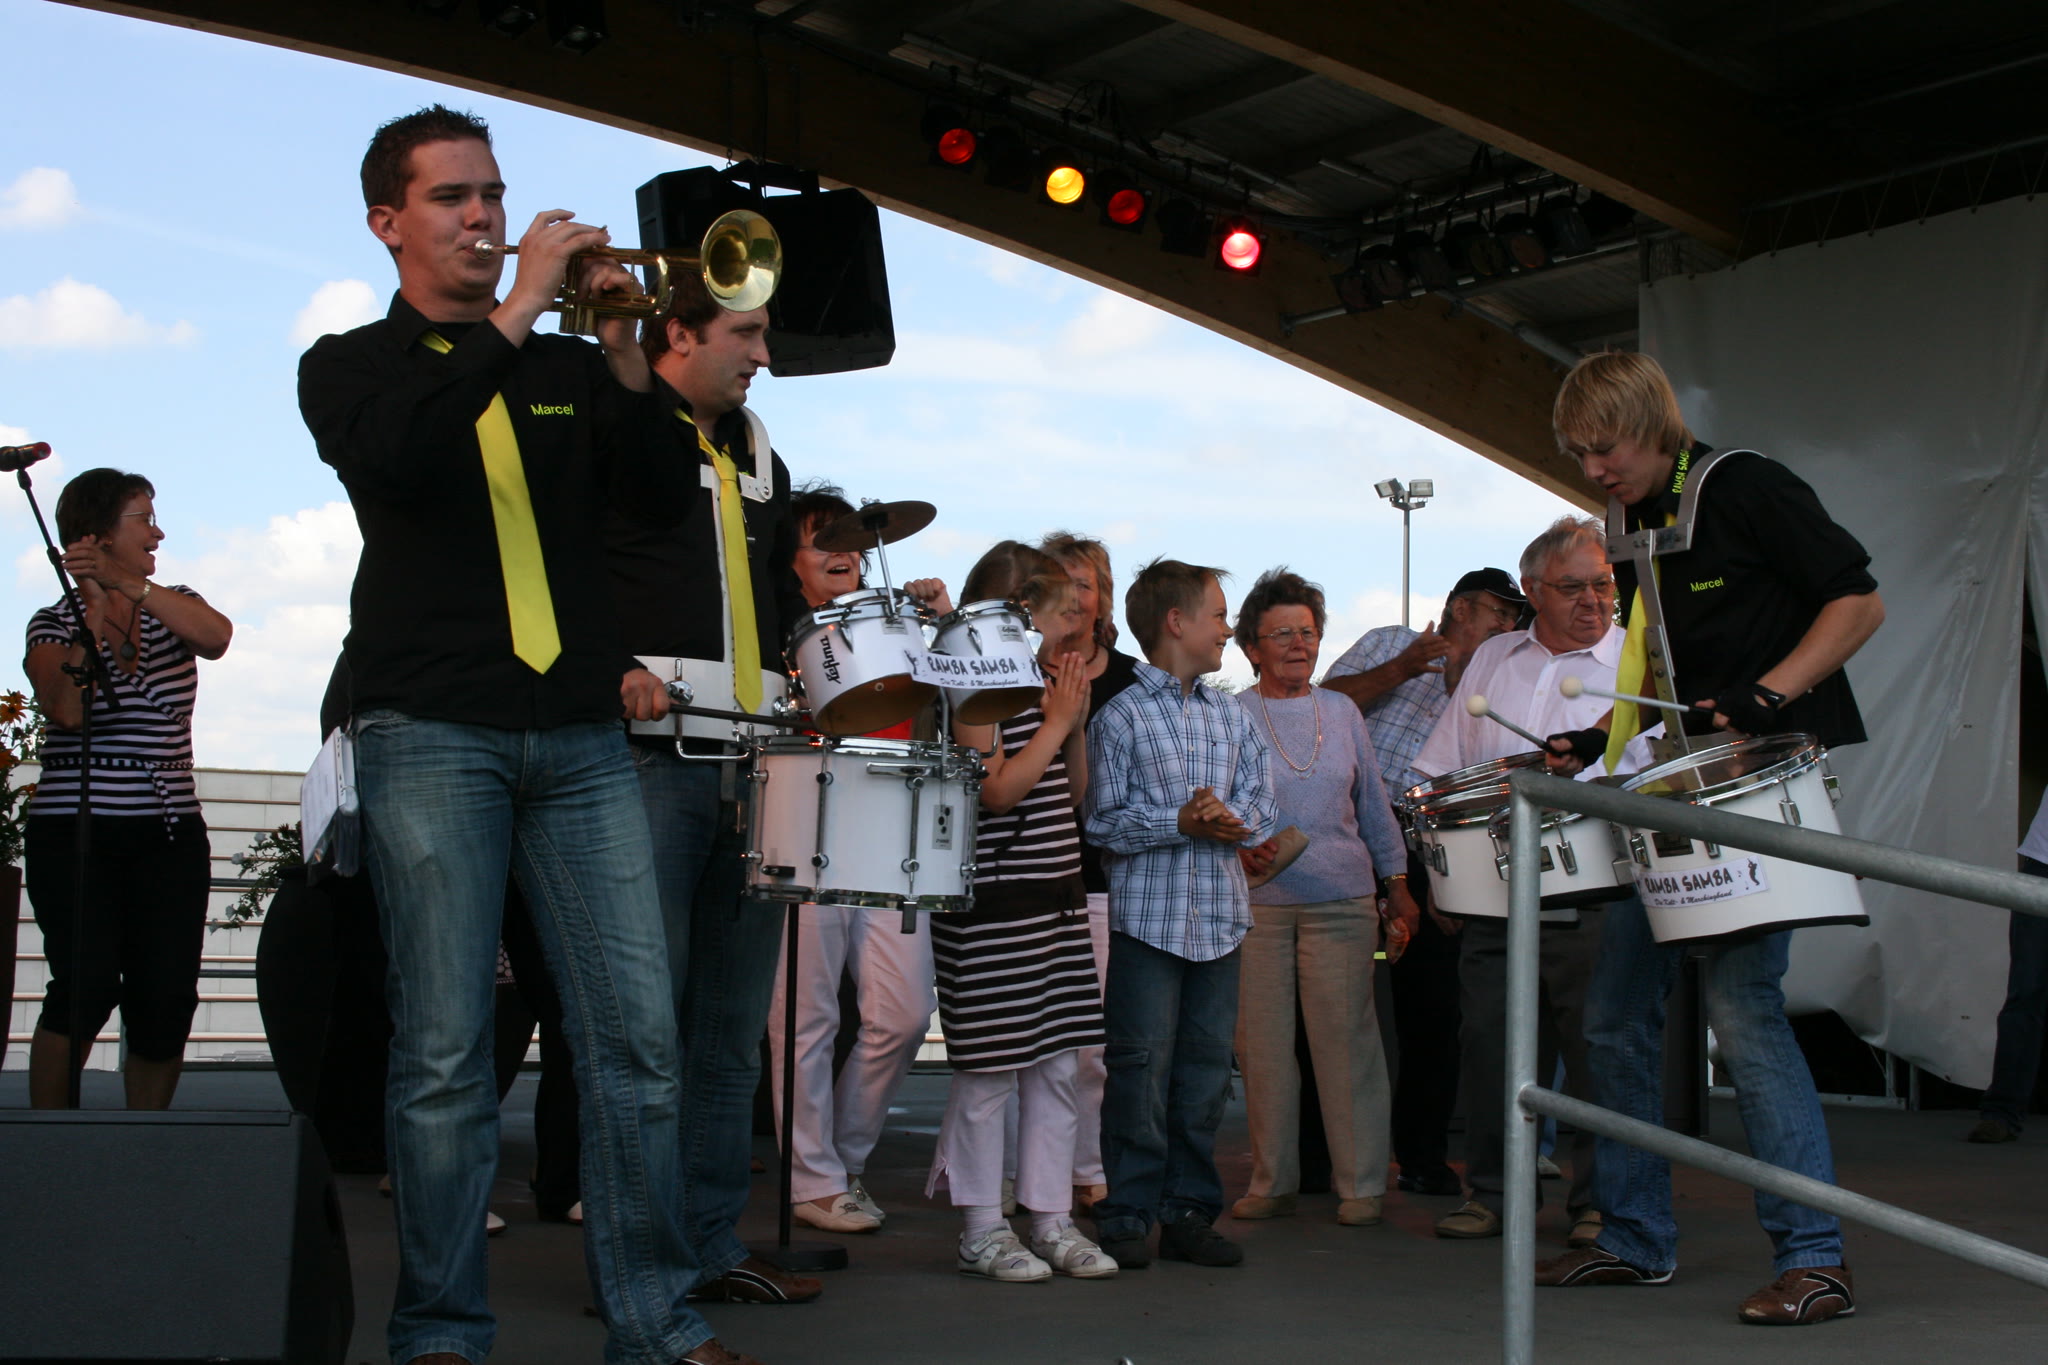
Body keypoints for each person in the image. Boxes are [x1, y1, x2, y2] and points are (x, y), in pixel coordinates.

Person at [298, 106, 755, 1365]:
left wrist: (619, 345)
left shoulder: (565, 367)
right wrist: (518, 313)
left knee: (637, 1043)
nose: (484, 216)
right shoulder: (351, 365)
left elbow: (655, 499)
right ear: (387, 221)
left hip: (578, 737)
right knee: (446, 1054)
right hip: (430, 727)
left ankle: (652, 1320)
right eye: (451, 197)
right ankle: (440, 1330)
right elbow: (402, 459)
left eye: (492, 193)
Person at [1537, 350, 1884, 1327]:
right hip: (1676, 787)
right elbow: (1658, 661)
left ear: (1652, 424)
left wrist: (1770, 692)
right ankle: (1635, 1236)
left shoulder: (1746, 486)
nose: (1594, 469)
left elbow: (1859, 601)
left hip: (1761, 783)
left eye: (1605, 448)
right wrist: (1602, 739)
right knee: (1612, 1015)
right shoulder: (1631, 525)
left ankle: (1814, 1258)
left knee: (1742, 1008)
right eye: (1579, 455)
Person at [610, 266, 818, 1306]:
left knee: (730, 1035)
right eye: (746, 334)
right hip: (649, 761)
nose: (763, 356)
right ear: (680, 334)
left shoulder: (757, 447)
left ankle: (702, 1246)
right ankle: (637, 1265)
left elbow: (779, 590)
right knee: (643, 1031)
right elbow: (569, 563)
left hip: (753, 763)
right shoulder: (623, 423)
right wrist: (609, 665)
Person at [1409, 517, 1621, 1247]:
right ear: (1532, 590)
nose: (1593, 600)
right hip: (1493, 889)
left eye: (1603, 583)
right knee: (1491, 1044)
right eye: (1572, 587)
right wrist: (1437, 873)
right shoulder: (1495, 656)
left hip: (1595, 885)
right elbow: (1443, 772)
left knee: (1595, 1049)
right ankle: (1497, 1193)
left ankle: (1602, 1201)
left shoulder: (1636, 660)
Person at [925, 541, 1114, 1282]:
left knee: (1058, 1066)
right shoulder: (975, 685)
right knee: (989, 1072)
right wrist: (1058, 723)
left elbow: (1070, 793)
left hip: (1056, 901)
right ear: (1017, 612)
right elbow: (997, 791)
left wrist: (1075, 721)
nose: (1070, 624)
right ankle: (981, 1227)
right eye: (1057, 611)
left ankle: (1051, 1218)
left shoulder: (1041, 684)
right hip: (993, 911)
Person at [1084, 559, 1278, 1270]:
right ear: (1176, 622)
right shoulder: (1121, 715)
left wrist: (1231, 818)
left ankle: (1188, 1212)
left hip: (1220, 924)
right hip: (1148, 926)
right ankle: (1128, 1212)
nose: (1228, 627)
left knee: (1204, 1077)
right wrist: (1180, 821)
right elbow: (1102, 821)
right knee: (1138, 1070)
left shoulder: (1232, 715)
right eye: (1219, 614)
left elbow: (1262, 800)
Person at [23, 468, 232, 1110]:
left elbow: (216, 637)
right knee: (83, 987)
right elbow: (66, 710)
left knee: (165, 994)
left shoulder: (172, 603)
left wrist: (127, 586)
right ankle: (51, 1144)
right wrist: (93, 612)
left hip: (168, 831)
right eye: (144, 519)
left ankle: (145, 1144)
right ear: (99, 534)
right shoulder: (52, 623)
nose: (157, 532)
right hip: (76, 830)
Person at [764, 481, 937, 1238]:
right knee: (805, 1016)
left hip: (890, 826)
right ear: (790, 559)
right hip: (801, 819)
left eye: (849, 540)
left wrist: (938, 624)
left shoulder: (895, 624)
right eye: (820, 539)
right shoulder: (772, 632)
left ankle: (840, 1157)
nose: (842, 551)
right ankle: (813, 1178)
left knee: (904, 1012)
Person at [1321, 568, 1526, 1196]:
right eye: (1498, 611)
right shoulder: (1392, 642)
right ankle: (1314, 1158)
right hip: (1351, 838)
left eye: (1515, 617)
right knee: (1331, 1002)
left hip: (1435, 850)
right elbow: (1322, 709)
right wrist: (1404, 668)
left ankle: (1422, 1156)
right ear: (1460, 608)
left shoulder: (1503, 679)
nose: (1509, 624)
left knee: (1434, 1010)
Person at [1227, 568, 1420, 1227]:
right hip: (1257, 905)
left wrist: (1397, 886)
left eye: (1307, 632)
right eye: (1281, 633)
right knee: (1262, 1050)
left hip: (1343, 900)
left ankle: (1361, 1185)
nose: (1298, 644)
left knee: (1348, 1045)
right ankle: (1272, 1181)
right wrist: (1235, 845)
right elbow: (1214, 805)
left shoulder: (1341, 712)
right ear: (1251, 647)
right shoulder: (1231, 714)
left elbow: (1374, 808)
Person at [1039, 530, 1142, 1214]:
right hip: (1021, 877)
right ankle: (1017, 1171)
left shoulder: (1134, 680)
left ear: (1104, 597)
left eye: (1088, 583)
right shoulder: (1013, 665)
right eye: (1062, 583)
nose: (1076, 597)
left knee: (1092, 1047)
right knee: (1021, 1041)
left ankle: (1085, 1165)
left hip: (1102, 881)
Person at [1968, 792, 2048, 1143]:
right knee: (2026, 993)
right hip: (2043, 865)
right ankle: (2001, 1112)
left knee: (2026, 995)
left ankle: (2002, 1112)